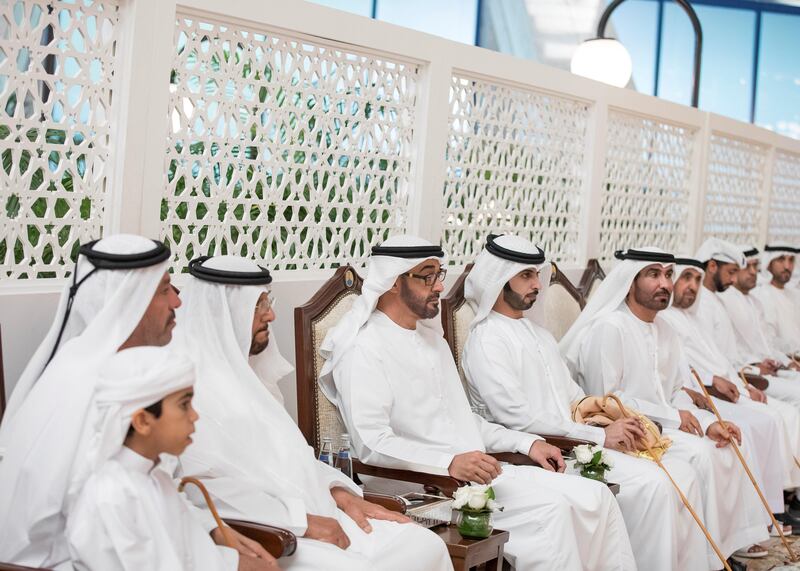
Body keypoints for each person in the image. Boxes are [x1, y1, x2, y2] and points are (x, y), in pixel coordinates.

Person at [322, 235, 636, 570]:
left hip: (474, 475)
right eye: (428, 276)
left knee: (596, 495)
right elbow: (371, 443)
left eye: (440, 274)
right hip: (424, 489)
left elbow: (461, 421)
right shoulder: (364, 348)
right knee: (554, 511)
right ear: (393, 282)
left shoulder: (430, 340)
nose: (439, 286)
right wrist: (448, 462)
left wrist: (526, 442)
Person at [173, 255, 452, 571]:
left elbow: (297, 461)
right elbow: (207, 493)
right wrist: (302, 523)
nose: (271, 314)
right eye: (257, 306)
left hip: (323, 513)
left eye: (268, 301)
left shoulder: (255, 381)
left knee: (423, 546)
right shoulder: (190, 394)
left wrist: (343, 494)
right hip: (277, 535)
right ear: (221, 315)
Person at [0, 235, 260, 568]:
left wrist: (211, 529)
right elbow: (105, 531)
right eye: (164, 290)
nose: (177, 304)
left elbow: (151, 490)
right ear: (128, 301)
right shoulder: (83, 390)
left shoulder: (137, 375)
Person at [461, 234, 709, 571]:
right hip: (536, 454)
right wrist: (598, 437)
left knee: (680, 472)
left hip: (575, 440)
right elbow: (515, 417)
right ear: (499, 279)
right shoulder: (487, 338)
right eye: (526, 276)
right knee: (654, 484)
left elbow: (574, 396)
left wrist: (610, 418)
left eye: (537, 275)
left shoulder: (539, 335)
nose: (537, 284)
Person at [560, 247, 769, 568]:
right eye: (654, 274)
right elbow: (608, 399)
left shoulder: (666, 330)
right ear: (631, 282)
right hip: (618, 432)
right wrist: (674, 416)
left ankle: (716, 553)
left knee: (719, 443)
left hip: (659, 426)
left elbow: (674, 395)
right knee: (700, 455)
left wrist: (708, 419)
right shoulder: (610, 328)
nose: (665, 284)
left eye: (668, 275)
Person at [66, 346, 278, 570]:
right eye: (184, 405)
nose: (194, 416)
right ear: (143, 421)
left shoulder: (158, 479)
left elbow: (195, 558)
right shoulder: (110, 497)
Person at [662, 257, 800, 529]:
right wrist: (716, 382)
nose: (691, 287)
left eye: (696, 281)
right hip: (694, 399)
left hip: (724, 386)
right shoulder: (663, 319)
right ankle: (762, 515)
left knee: (769, 418)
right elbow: (686, 375)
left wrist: (742, 380)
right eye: (685, 278)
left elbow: (721, 359)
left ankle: (773, 507)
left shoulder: (689, 317)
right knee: (756, 425)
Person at [718, 246, 800, 408]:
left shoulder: (754, 301)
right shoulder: (725, 300)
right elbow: (731, 350)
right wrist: (755, 365)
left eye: (756, 266)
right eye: (747, 267)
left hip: (772, 369)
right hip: (748, 374)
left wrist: (785, 362)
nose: (753, 272)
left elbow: (767, 344)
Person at [751, 245, 800, 355]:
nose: (787, 266)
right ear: (768, 264)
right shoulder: (761, 294)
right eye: (781, 259)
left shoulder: (796, 295)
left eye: (791, 260)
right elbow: (768, 339)